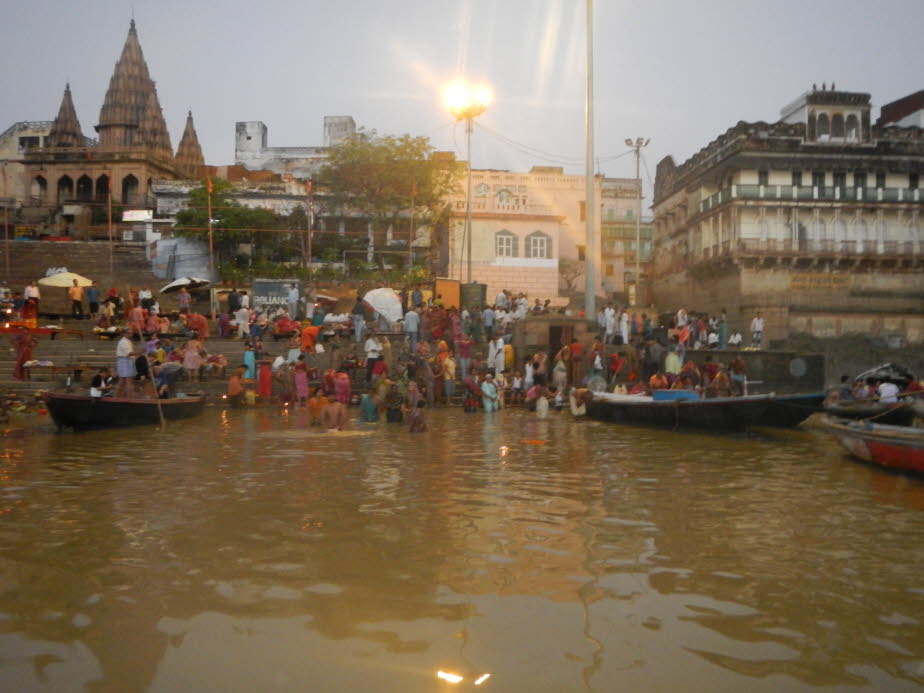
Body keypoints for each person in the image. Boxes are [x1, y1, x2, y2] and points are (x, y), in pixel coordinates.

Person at [115, 328, 136, 397]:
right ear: (124, 334)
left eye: (131, 333)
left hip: (127, 361)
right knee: (127, 381)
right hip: (124, 361)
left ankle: (120, 396)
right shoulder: (123, 342)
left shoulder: (128, 341)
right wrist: (142, 351)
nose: (130, 334)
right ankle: (128, 397)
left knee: (123, 381)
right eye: (129, 333)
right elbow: (129, 353)